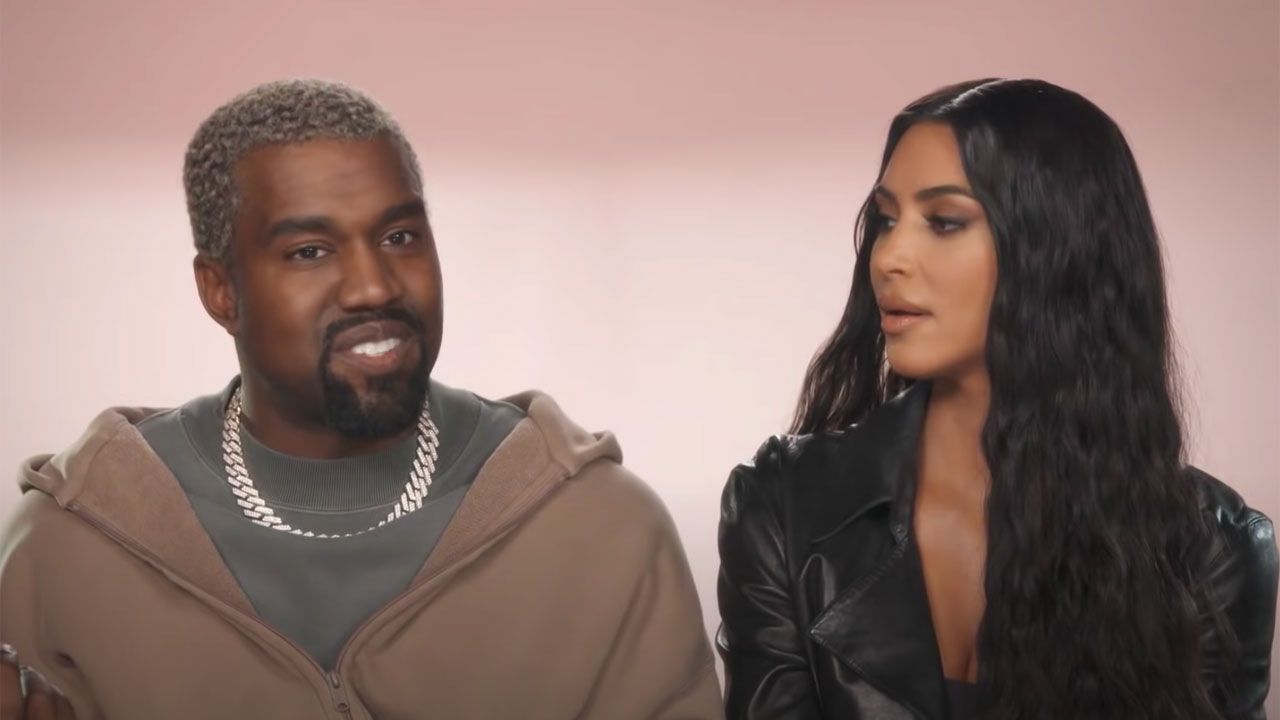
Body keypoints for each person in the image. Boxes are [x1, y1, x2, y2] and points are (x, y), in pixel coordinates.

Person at [0, 79, 722, 720]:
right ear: (220, 291)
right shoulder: (68, 552)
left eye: (400, 236)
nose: (374, 286)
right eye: (310, 251)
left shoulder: (601, 530)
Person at [716, 78, 1278, 719]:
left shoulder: (1211, 549)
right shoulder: (781, 506)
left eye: (944, 222)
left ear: (1058, 250)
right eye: (886, 220)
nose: (889, 256)